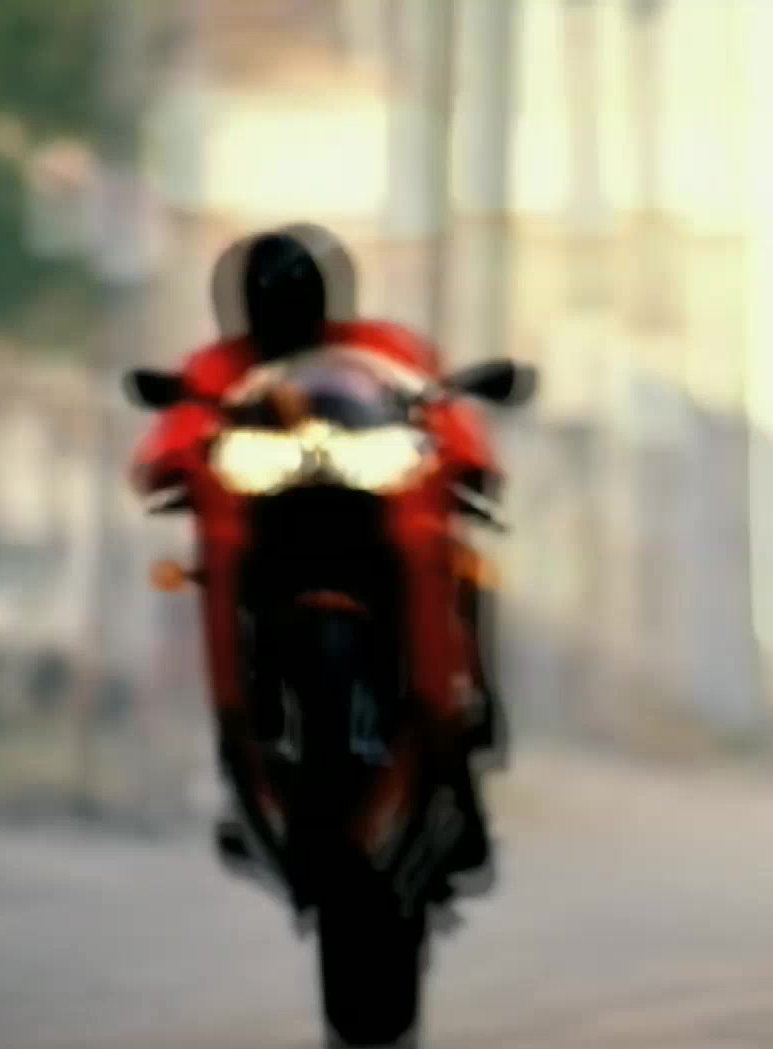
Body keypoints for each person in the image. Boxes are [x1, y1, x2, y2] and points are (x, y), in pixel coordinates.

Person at [129, 227, 504, 890]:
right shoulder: (217, 368)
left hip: (376, 520)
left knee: (461, 569)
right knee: (206, 577)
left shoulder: (383, 352)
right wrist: (175, 466)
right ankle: (248, 759)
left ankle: (466, 719)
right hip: (264, 538)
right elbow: (175, 438)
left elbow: (439, 413)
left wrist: (469, 461)